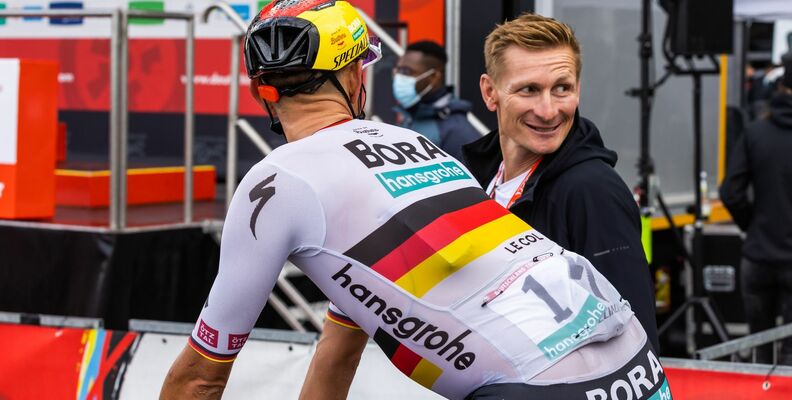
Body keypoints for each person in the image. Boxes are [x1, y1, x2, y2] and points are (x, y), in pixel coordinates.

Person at [160, 2, 669, 399]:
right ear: (358, 77)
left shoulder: (274, 182)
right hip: (640, 372)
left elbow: (200, 381)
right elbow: (339, 348)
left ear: (261, 94)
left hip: (539, 387)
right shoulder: (416, 146)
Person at [461, 13, 660, 353]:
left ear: (578, 90)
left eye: (562, 89)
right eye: (529, 90)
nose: (549, 110)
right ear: (490, 93)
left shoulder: (592, 190)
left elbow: (634, 339)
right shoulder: (477, 176)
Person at [720, 52, 792, 365]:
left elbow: (731, 192)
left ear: (782, 86)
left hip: (758, 254)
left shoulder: (756, 132)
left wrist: (752, 225)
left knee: (759, 351)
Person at [392, 40, 482, 162]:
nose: (398, 77)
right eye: (397, 70)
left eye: (406, 71)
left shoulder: (458, 132)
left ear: (434, 77)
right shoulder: (411, 117)